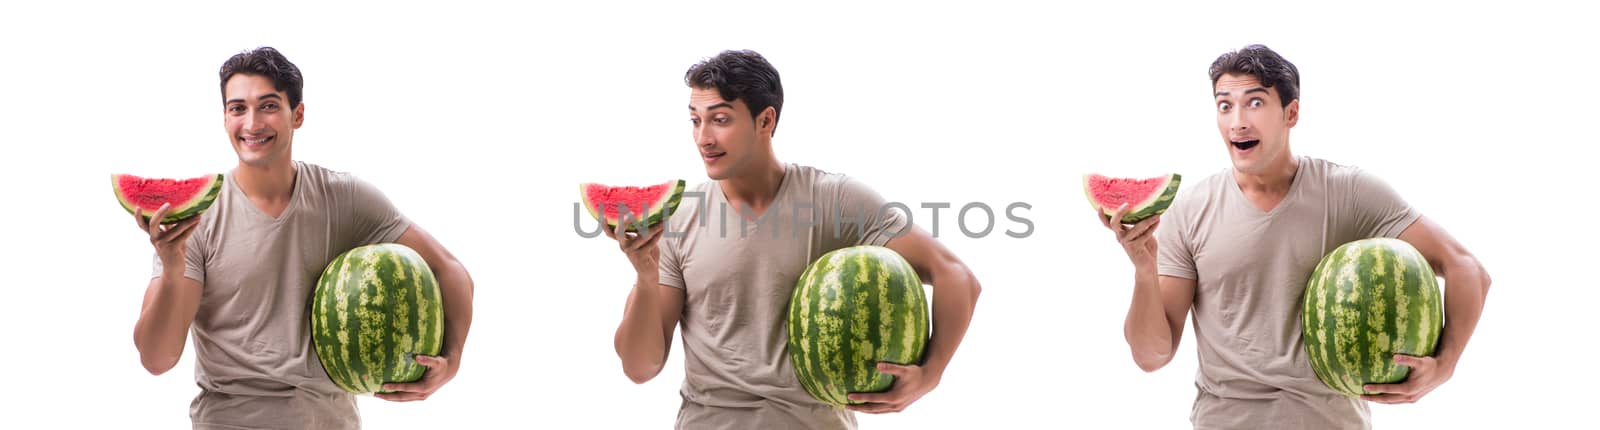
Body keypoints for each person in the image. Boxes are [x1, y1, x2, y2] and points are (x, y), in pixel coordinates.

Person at [1100, 44, 1493, 429]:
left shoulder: (1349, 193)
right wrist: (1143, 268)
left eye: (1254, 103)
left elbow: (1466, 269)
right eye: (1225, 105)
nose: (1237, 120)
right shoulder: (1190, 210)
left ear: (1291, 113)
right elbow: (1152, 356)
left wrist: (1446, 364)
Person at [603, 49, 983, 429]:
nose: (703, 137)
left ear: (765, 120)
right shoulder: (680, 218)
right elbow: (640, 368)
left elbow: (955, 275)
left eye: (720, 120)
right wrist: (645, 276)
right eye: (694, 120)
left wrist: (931, 373)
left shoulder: (835, 201)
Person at [131, 46, 475, 430]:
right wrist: (173, 264)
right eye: (237, 108)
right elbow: (156, 358)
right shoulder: (199, 217)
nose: (252, 123)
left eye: (268, 106)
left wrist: (453, 359)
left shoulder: (345, 200)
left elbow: (449, 270)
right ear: (225, 117)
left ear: (298, 115)